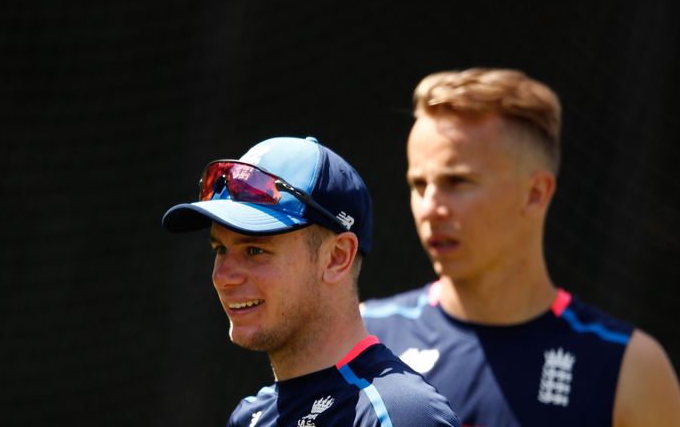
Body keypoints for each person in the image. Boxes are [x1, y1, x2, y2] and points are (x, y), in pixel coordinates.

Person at [361, 68, 680, 427]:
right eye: (419, 185)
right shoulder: (362, 340)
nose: (430, 208)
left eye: (457, 181)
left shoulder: (630, 369)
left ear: (535, 194)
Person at [162, 136, 460, 427]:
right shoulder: (249, 416)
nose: (223, 276)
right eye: (220, 249)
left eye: (255, 250)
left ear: (336, 257)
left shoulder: (401, 415)